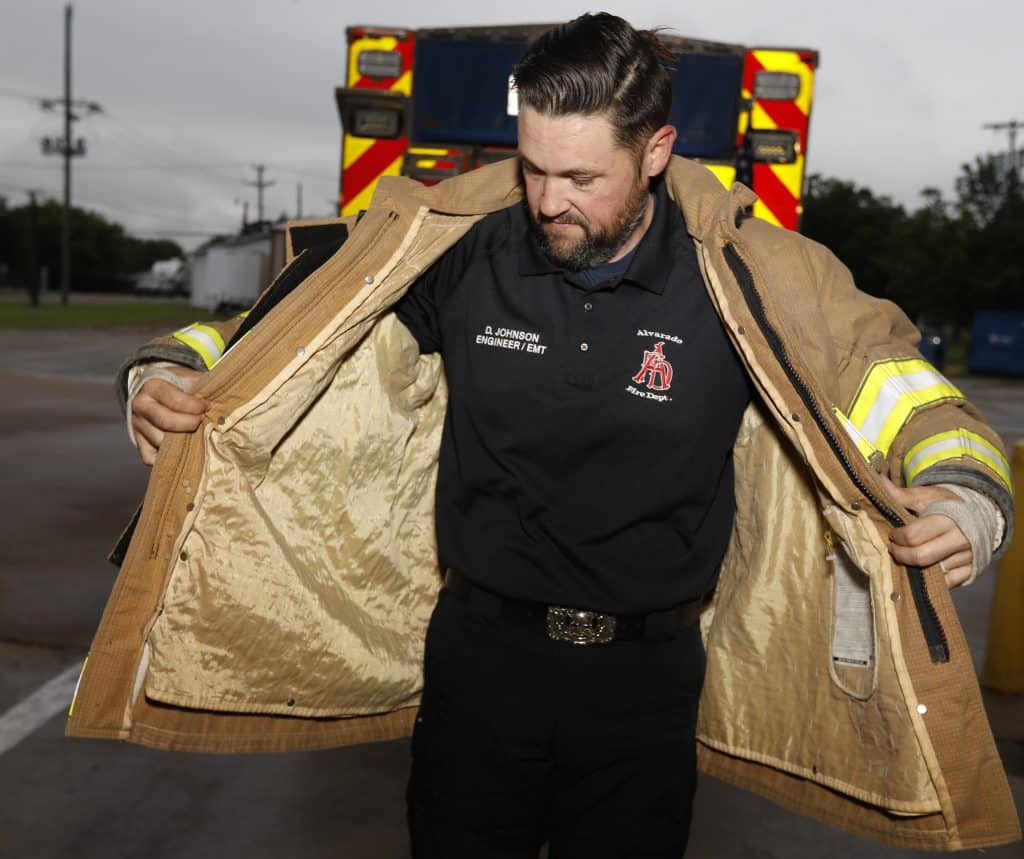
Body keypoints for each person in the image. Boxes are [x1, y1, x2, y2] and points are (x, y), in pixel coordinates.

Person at [98, 13, 1014, 858]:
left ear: (656, 152)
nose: (547, 200)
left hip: (647, 686)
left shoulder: (744, 281)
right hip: (480, 663)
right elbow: (288, 320)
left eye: (581, 177)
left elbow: (892, 379)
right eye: (533, 167)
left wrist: (969, 491)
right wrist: (170, 371)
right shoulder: (459, 249)